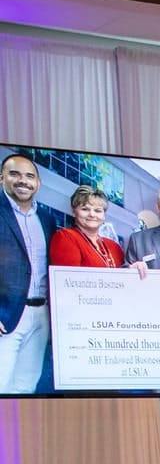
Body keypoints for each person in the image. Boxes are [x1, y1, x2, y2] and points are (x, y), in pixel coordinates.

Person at [0, 151, 67, 396]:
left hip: (41, 316)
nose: (23, 181)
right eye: (14, 174)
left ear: (37, 183)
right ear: (2, 178)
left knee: (26, 387)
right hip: (6, 316)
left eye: (29, 176)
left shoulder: (47, 219)